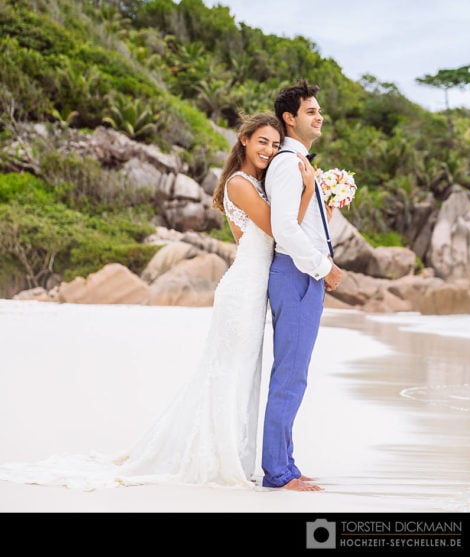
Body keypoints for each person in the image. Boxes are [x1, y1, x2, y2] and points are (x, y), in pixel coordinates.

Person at [0, 113, 318, 490]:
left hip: (250, 291)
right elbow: (282, 230)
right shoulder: (239, 184)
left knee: (239, 376)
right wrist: (309, 191)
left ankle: (234, 454)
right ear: (245, 140)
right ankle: (218, 457)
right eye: (262, 141)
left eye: (275, 144)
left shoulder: (255, 184)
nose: (269, 149)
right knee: (228, 374)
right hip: (242, 293)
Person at [261, 80, 343, 491]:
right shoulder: (286, 164)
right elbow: (285, 231)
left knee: (295, 374)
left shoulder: (303, 164)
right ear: (289, 119)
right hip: (296, 272)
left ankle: (286, 464)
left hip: (302, 273)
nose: (319, 116)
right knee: (289, 375)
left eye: (319, 110)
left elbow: (304, 222)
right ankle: (276, 472)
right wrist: (322, 267)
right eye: (311, 111)